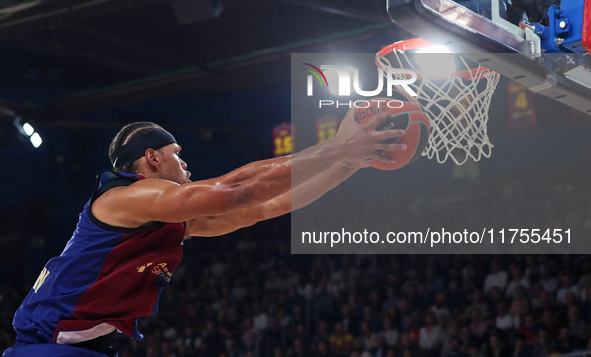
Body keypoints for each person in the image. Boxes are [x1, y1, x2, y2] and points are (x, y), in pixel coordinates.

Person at [4, 109, 406, 357]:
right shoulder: (124, 197)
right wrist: (340, 146)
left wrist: (350, 162)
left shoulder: (164, 216)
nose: (188, 167)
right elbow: (237, 190)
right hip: (47, 345)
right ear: (152, 157)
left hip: (77, 346)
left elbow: (264, 207)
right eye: (180, 156)